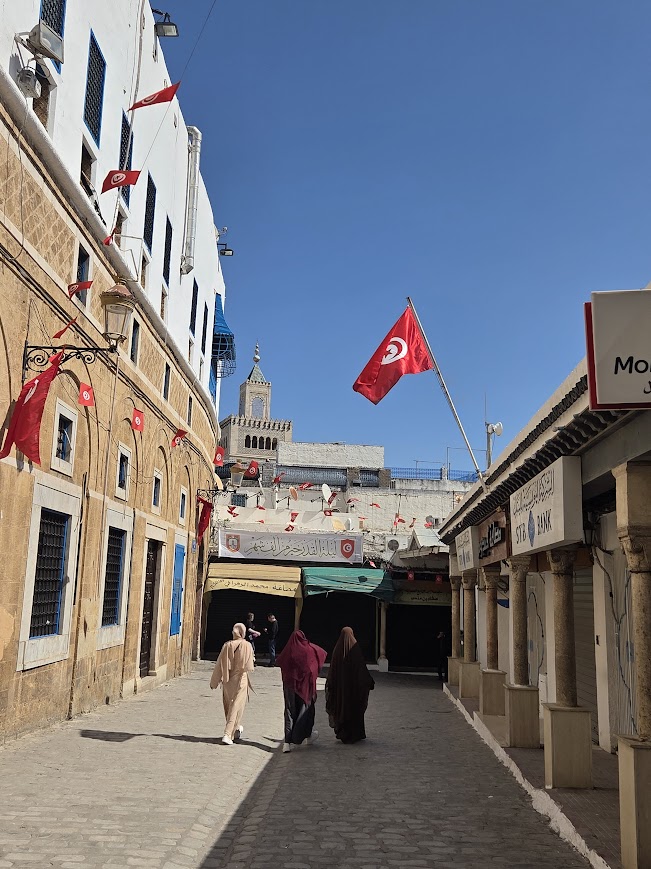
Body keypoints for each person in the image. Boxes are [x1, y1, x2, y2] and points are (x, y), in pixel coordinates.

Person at [276, 629, 327, 753]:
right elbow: (318, 658)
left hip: (289, 686)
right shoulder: (309, 650)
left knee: (289, 711)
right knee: (305, 710)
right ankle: (305, 735)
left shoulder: (288, 651)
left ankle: (287, 742)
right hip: (305, 687)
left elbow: (280, 662)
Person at [325, 627, 375, 744]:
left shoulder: (337, 651)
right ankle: (355, 733)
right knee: (354, 709)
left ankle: (343, 733)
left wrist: (331, 686)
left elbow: (331, 673)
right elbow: (362, 670)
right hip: (354, 691)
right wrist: (369, 682)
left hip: (340, 692)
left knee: (342, 707)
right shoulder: (355, 650)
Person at [210, 623, 254, 745]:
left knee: (230, 705)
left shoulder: (227, 645)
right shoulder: (247, 645)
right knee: (236, 705)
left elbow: (219, 664)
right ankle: (228, 733)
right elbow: (249, 665)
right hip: (240, 680)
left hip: (227, 680)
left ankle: (236, 729)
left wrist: (214, 681)